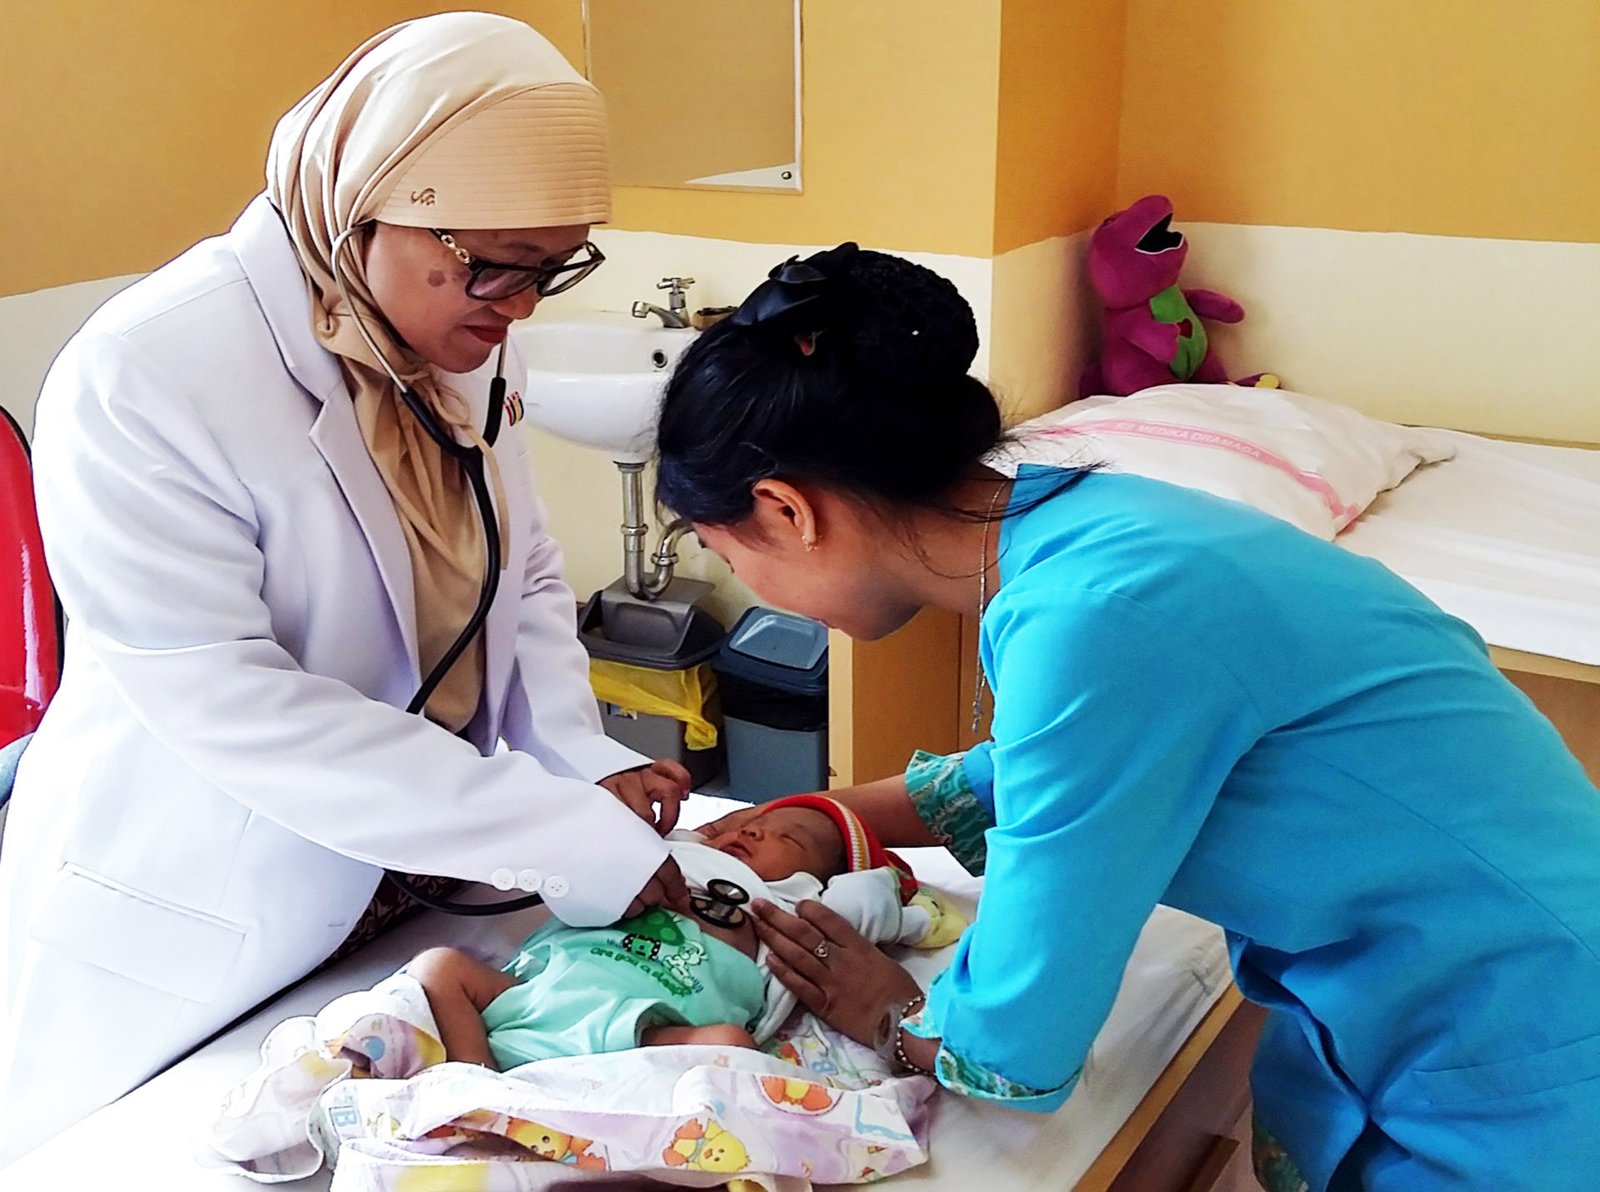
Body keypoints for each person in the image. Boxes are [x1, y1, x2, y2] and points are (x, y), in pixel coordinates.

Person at [653, 243, 1600, 1192]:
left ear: (786, 511)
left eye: (728, 555)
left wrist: (891, 1017)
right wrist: (834, 814)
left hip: (1523, 1040)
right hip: (1469, 973)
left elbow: (1015, 1046)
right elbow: (1077, 764)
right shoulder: (1093, 530)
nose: (748, 584)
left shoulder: (1093, 614)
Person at [0, 15, 693, 1163]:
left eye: (552, 266)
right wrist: (559, 830)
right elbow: (235, 700)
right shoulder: (147, 372)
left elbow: (520, 569)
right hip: (208, 899)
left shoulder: (461, 329)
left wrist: (582, 762)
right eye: (494, 265)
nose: (521, 306)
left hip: (410, 886)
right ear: (367, 202)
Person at [407, 796, 926, 1070]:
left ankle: (491, 1098)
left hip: (649, 1028)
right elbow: (606, 828)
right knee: (438, 966)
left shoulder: (799, 904)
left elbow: (869, 902)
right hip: (535, 993)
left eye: (789, 838)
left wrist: (910, 905)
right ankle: (469, 1086)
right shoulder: (675, 850)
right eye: (749, 823)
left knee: (732, 1045)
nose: (752, 829)